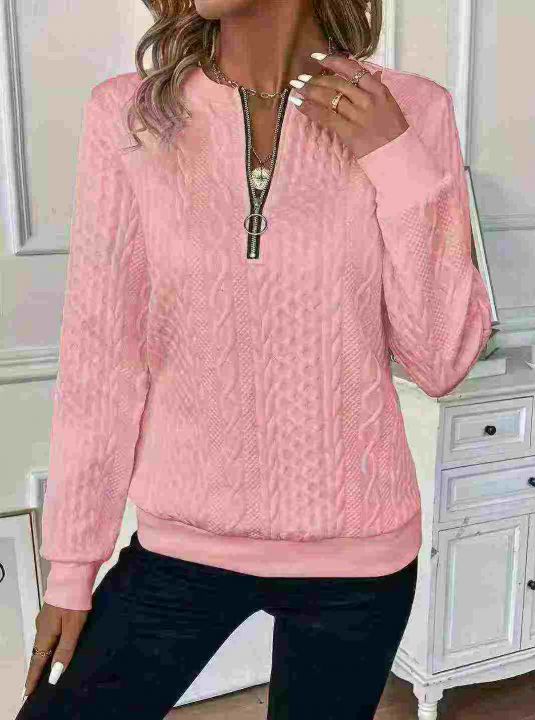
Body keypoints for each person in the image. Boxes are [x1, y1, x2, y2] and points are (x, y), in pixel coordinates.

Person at [17, 0, 493, 718]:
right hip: (181, 546)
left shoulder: (411, 110)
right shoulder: (131, 115)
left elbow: (443, 359)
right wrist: (71, 570)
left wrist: (395, 158)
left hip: (357, 559)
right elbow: (102, 356)